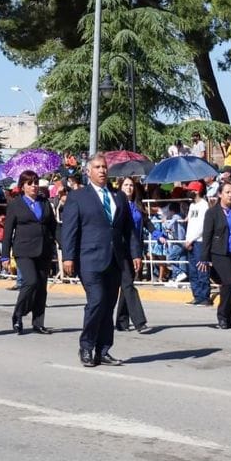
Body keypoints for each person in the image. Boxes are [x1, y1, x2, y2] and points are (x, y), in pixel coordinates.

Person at [61, 154, 139, 365]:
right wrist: (68, 256)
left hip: (115, 259)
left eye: (104, 167)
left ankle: (103, 350)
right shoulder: (78, 197)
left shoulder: (118, 196)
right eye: (97, 167)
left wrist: (136, 253)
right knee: (96, 301)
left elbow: (128, 229)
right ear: (88, 172)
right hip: (89, 259)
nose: (103, 170)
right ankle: (86, 347)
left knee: (109, 305)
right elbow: (69, 229)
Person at [6, 170, 57, 335]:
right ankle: (18, 314)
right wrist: (5, 255)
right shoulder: (15, 204)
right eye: (30, 183)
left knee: (42, 287)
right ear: (22, 187)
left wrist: (66, 246)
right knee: (30, 282)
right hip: (24, 250)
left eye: (36, 182)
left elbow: (53, 227)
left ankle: (38, 322)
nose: (34, 186)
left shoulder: (44, 202)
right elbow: (8, 232)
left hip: (44, 249)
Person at [198, 181, 231, 330]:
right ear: (220, 194)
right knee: (227, 282)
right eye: (227, 192)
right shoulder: (212, 213)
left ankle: (228, 318)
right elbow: (207, 235)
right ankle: (222, 316)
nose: (230, 195)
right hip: (219, 253)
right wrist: (204, 256)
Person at [114, 176, 150, 333]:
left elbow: (146, 221)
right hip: (119, 249)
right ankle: (139, 321)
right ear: (120, 187)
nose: (129, 188)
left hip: (134, 248)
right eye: (126, 185)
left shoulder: (136, 205)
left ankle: (122, 322)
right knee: (128, 284)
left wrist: (158, 234)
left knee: (126, 284)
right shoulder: (117, 205)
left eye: (131, 185)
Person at [181, 181, 212, 306]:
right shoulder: (192, 205)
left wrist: (191, 239)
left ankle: (205, 297)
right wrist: (187, 239)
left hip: (199, 241)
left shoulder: (204, 205)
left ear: (197, 191)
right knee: (192, 270)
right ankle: (197, 295)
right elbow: (190, 223)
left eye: (191, 190)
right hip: (190, 241)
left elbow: (202, 226)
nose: (189, 192)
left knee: (201, 269)